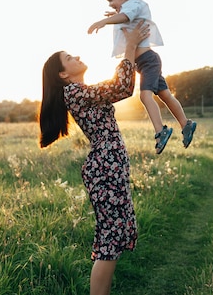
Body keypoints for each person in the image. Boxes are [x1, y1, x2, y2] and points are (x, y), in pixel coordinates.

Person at [39, 20, 149, 295]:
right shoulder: (73, 92)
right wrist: (131, 45)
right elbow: (122, 88)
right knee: (109, 244)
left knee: (115, 237)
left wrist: (131, 48)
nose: (76, 57)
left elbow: (117, 86)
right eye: (68, 58)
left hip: (110, 165)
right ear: (63, 74)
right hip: (104, 167)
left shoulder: (83, 92)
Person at [87, 0, 196, 154]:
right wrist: (115, 12)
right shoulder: (129, 7)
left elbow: (125, 17)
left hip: (147, 61)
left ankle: (161, 131)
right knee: (166, 95)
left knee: (145, 96)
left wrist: (104, 21)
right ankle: (186, 124)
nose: (111, 4)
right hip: (144, 62)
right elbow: (124, 15)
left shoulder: (135, 4)